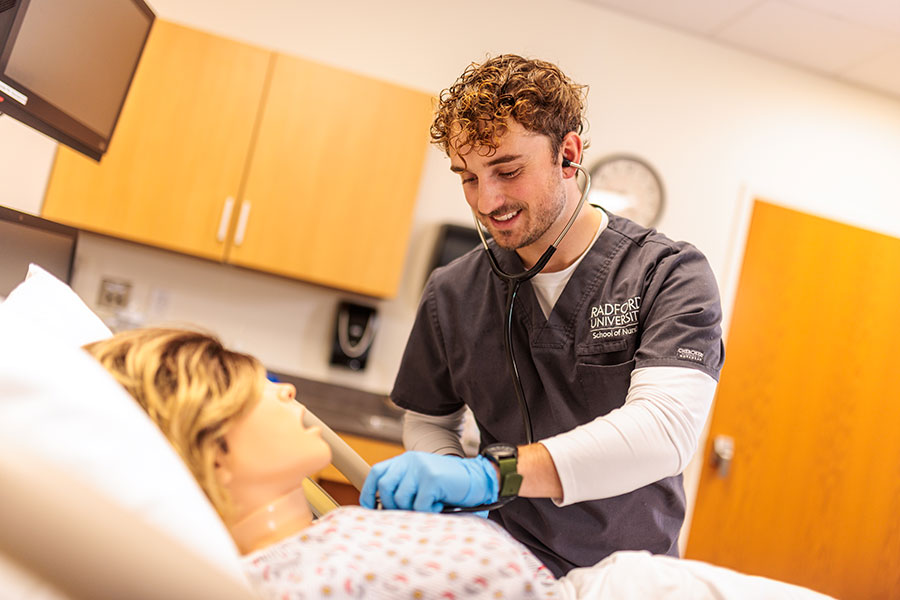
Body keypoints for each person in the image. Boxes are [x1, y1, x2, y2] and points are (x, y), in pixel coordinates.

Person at [360, 54, 726, 577]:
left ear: (569, 154)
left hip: (627, 576)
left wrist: (492, 476)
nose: (487, 201)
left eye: (508, 171)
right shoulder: (453, 292)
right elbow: (429, 418)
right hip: (499, 568)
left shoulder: (667, 274)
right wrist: (450, 480)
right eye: (467, 178)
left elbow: (663, 430)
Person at [83, 328, 558, 599]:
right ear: (210, 448)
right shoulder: (307, 583)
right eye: (256, 388)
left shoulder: (328, 544)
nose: (286, 390)